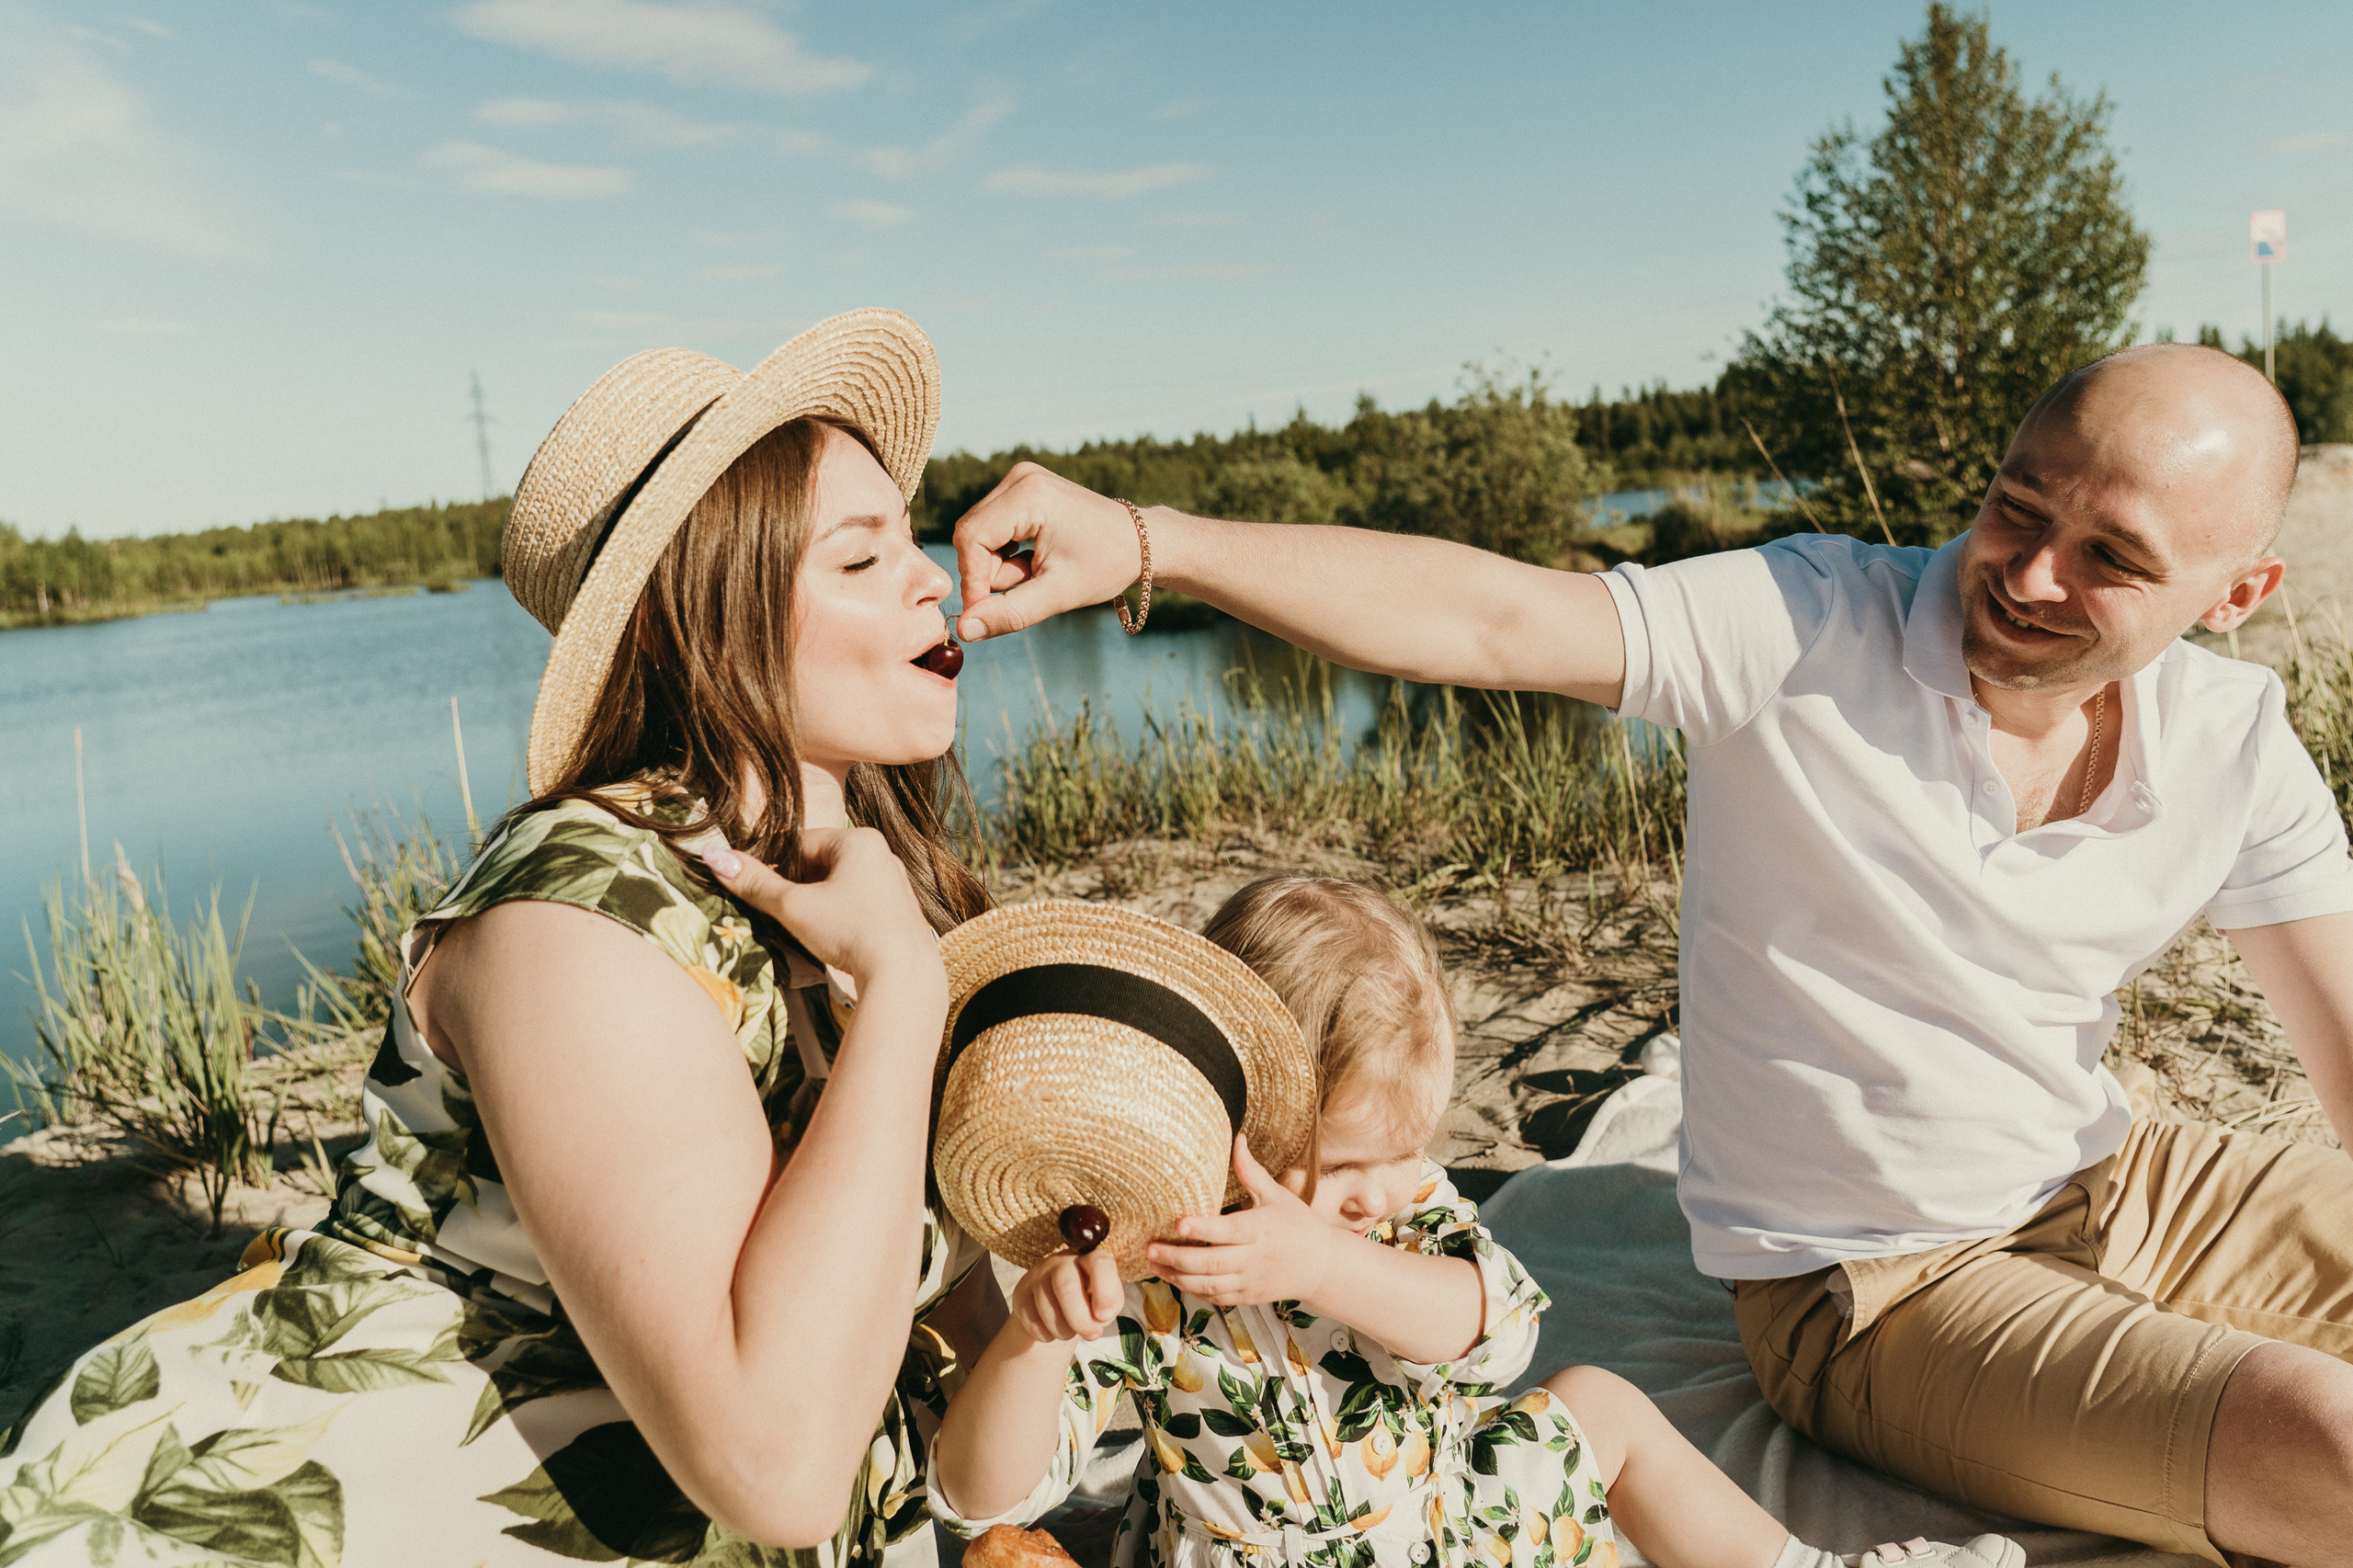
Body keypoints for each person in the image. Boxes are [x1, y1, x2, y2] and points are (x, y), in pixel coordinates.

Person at [942, 344, 2353, 1567]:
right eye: (2016, 505)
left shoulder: (2234, 739)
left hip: (2126, 1171)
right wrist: (1148, 542)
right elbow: (1490, 618)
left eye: (2113, 556)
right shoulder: (1807, 626)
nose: (2029, 572)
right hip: (1874, 1289)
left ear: (2240, 589)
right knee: (2328, 1446)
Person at [0, 311, 1004, 1567]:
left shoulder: (867, 887)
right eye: (859, 560)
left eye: (907, 537)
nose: (929, 575)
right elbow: (778, 1466)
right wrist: (907, 990)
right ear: (707, 623)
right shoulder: (570, 927)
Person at [928, 876, 2020, 1568]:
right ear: (1235, 1132)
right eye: (1351, 1162)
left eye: (1410, 1150)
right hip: (1251, 1553)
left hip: (1448, 1521)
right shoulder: (1151, 1265)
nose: (1388, 1183)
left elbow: (1495, 1331)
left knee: (1600, 1403)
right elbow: (986, 1492)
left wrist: (1325, 1255)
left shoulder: (1394, 1213)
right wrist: (1031, 1341)